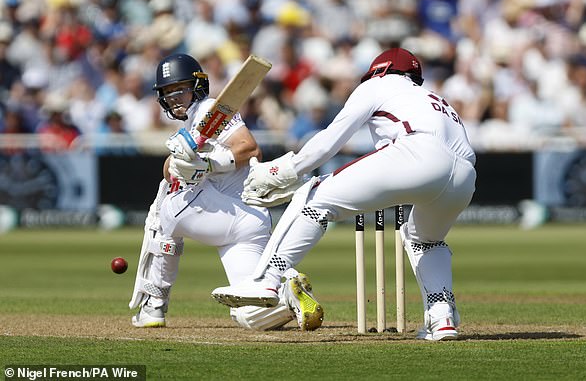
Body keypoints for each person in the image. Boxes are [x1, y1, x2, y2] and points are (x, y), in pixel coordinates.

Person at [211, 48, 476, 341]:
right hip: (464, 176)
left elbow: (330, 140)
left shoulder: (377, 84)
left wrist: (285, 170)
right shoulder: (437, 99)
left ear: (379, 70)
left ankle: (266, 281)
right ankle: (442, 318)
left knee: (315, 196)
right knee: (424, 240)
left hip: (417, 153)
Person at [129, 53, 324, 331]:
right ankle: (288, 294)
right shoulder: (190, 124)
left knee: (165, 205)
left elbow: (250, 148)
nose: (173, 98)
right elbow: (171, 168)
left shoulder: (210, 109)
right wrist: (177, 164)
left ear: (196, 87)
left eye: (179, 90)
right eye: (167, 93)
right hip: (245, 224)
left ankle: (154, 306)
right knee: (249, 313)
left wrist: (206, 165)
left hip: (232, 212)